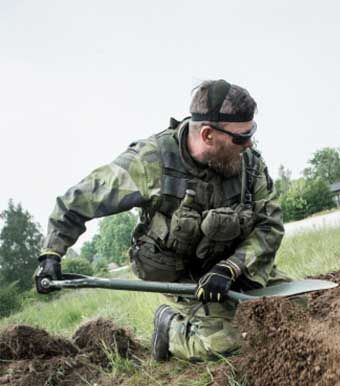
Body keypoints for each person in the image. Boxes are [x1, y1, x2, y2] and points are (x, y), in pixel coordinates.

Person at [33, 79, 287, 362]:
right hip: (179, 273)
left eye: (252, 132)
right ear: (207, 134)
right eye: (240, 137)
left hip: (233, 266)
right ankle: (170, 327)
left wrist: (231, 268)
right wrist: (51, 254)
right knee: (226, 342)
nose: (249, 143)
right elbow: (79, 200)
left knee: (295, 311)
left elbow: (270, 225)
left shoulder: (249, 163)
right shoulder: (149, 162)